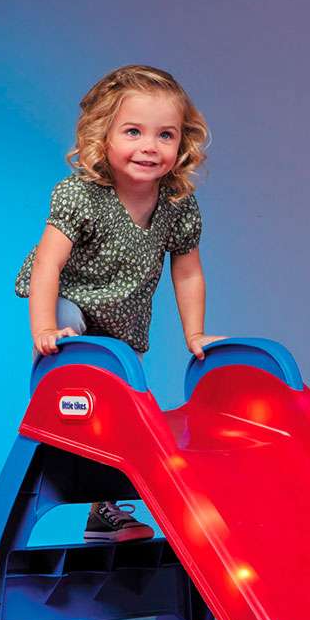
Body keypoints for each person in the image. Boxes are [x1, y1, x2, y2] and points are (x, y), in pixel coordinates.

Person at [15, 64, 223, 543]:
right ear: (102, 136)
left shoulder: (177, 204)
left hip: (123, 324)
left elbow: (188, 272)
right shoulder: (81, 195)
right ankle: (58, 401)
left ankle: (101, 511)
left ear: (182, 143)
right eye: (133, 132)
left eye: (165, 134)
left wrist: (194, 334)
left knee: (121, 415)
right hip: (70, 302)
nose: (150, 146)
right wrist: (44, 328)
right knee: (77, 375)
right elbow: (48, 265)